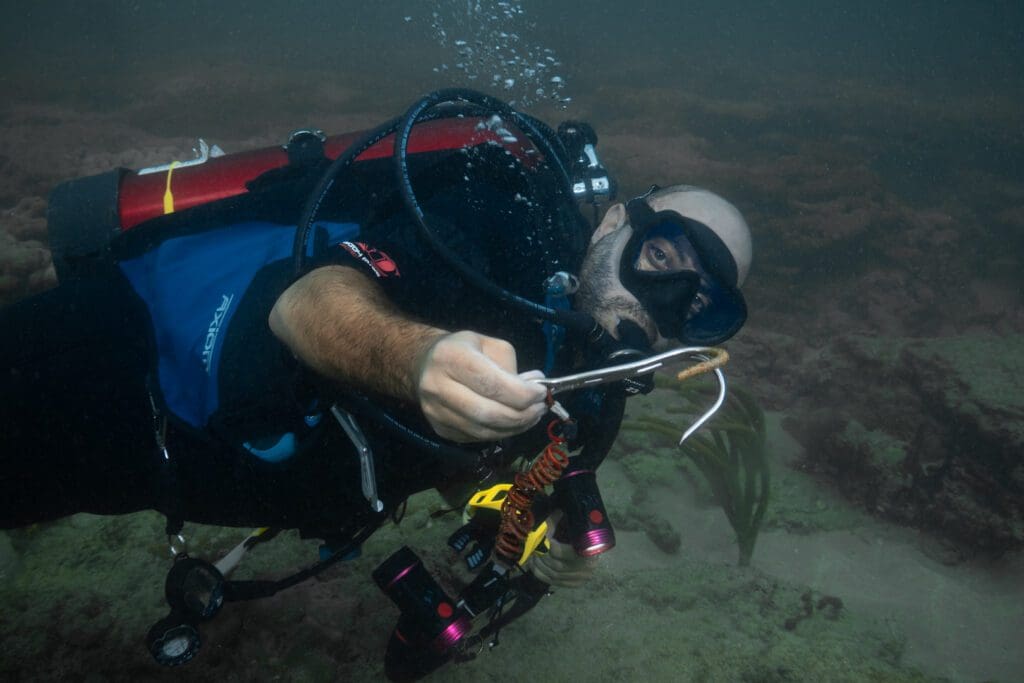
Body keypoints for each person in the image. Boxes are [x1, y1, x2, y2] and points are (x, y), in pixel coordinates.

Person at [0, 105, 752, 595]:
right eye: (661, 260)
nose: (659, 306)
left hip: (183, 465)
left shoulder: (596, 398)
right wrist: (420, 359)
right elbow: (308, 302)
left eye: (699, 304)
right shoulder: (495, 215)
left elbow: (477, 471)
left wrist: (518, 527)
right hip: (127, 343)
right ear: (619, 218)